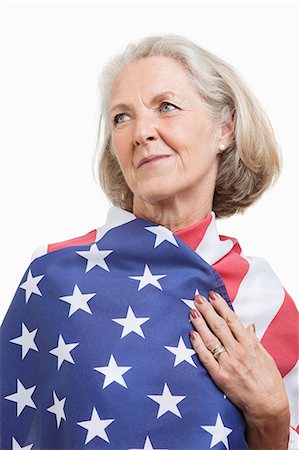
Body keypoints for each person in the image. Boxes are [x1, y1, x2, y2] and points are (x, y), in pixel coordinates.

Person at [1, 33, 298, 450]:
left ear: (224, 129)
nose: (141, 131)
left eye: (166, 107)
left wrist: (271, 414)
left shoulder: (260, 294)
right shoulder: (55, 272)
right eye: (121, 117)